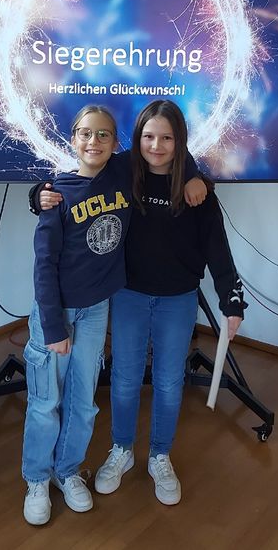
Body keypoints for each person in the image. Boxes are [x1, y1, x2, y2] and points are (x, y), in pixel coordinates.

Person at [36, 100, 245, 507]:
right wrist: (38, 193)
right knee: (125, 379)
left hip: (178, 299)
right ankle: (122, 450)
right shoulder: (121, 170)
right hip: (128, 294)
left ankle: (160, 455)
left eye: (167, 138)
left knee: (169, 382)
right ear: (136, 141)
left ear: (179, 142)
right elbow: (74, 182)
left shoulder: (197, 191)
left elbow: (217, 248)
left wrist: (230, 300)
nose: (157, 145)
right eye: (148, 136)